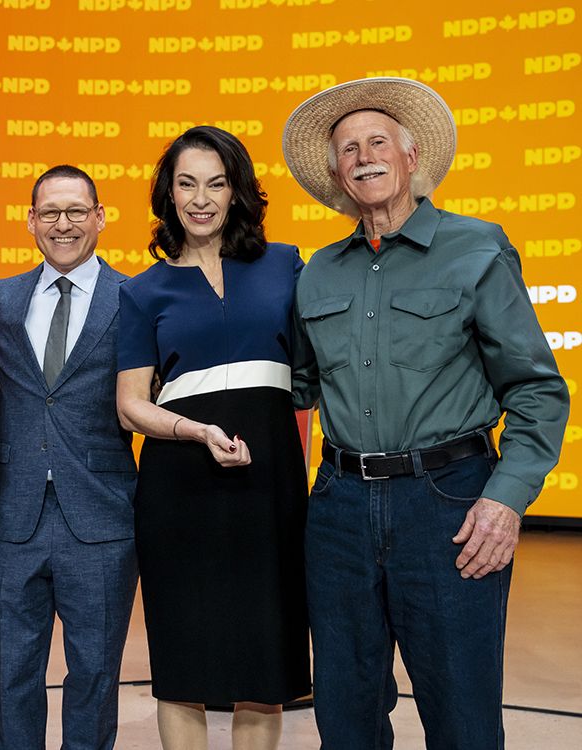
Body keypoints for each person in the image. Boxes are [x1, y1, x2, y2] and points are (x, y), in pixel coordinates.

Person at [283, 77, 570, 749]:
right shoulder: (316, 273)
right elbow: (293, 389)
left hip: (449, 506)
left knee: (462, 717)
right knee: (345, 718)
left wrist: (505, 500)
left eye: (377, 141)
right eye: (347, 149)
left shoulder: (478, 249)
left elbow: (536, 389)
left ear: (413, 156)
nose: (363, 157)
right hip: (339, 509)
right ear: (336, 173)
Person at [115, 125, 311, 750]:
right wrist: (197, 432)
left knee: (266, 660)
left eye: (216, 183)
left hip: (270, 482)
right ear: (167, 195)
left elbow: (312, 372)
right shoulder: (142, 290)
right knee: (183, 664)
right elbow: (129, 407)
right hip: (178, 490)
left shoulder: (285, 264)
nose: (201, 198)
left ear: (238, 192)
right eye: (186, 184)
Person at [0, 165, 138, 750]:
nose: (63, 224)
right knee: (15, 673)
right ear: (30, 222)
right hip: (16, 516)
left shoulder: (136, 296)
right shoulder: (1, 297)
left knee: (94, 671)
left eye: (75, 211)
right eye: (50, 213)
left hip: (102, 518)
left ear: (99, 217)